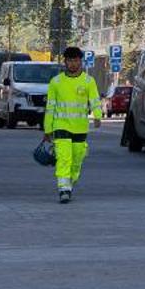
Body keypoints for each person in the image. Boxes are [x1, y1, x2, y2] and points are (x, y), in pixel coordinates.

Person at [43, 46, 102, 203]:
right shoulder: (56, 82)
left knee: (77, 160)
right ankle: (63, 189)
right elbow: (50, 107)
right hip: (60, 126)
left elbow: (95, 100)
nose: (73, 64)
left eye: (76, 60)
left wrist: (98, 116)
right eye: (70, 61)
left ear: (80, 62)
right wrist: (48, 128)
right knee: (64, 158)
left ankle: (69, 183)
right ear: (65, 62)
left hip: (80, 127)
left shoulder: (89, 81)